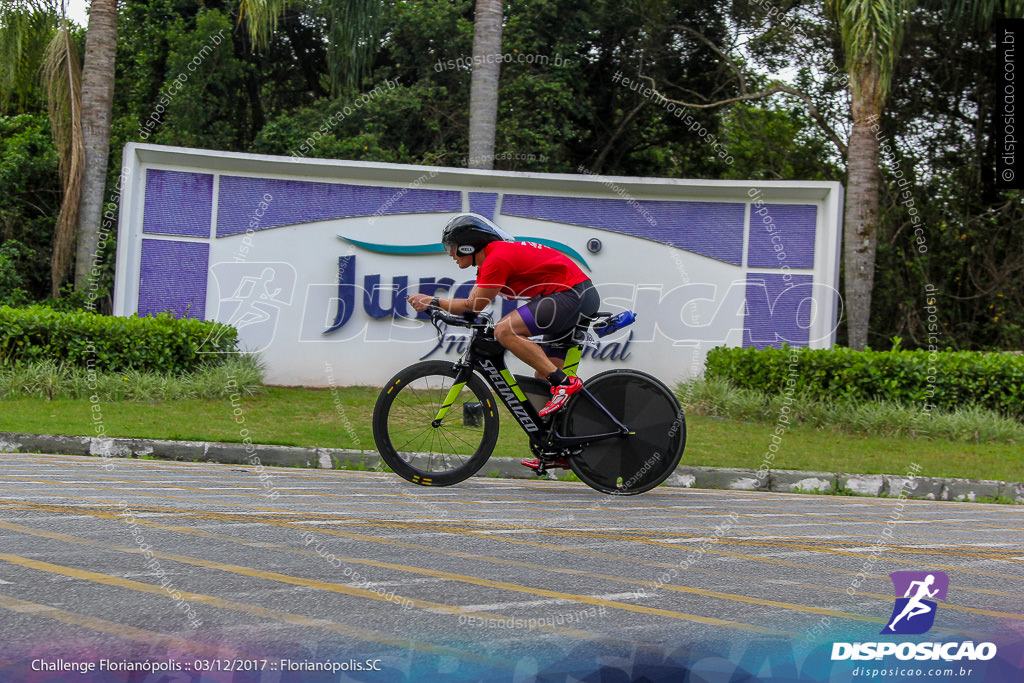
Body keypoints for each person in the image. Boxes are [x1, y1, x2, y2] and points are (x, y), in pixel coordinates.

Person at [406, 213, 600, 419]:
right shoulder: (488, 263)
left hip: (572, 295)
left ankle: (565, 384)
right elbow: (470, 306)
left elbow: (473, 306)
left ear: (468, 246)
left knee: (504, 330)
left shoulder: (496, 259)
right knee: (543, 380)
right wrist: (439, 307)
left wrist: (433, 302)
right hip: (571, 296)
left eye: (452, 247)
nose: (451, 254)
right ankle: (556, 446)